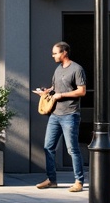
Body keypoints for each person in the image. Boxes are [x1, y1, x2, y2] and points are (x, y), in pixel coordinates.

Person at [35, 41, 87, 192]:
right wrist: (46, 92)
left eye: (55, 53)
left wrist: (61, 95)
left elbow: (81, 91)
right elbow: (54, 89)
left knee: (72, 149)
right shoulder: (58, 69)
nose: (53, 55)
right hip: (55, 115)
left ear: (64, 53)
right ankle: (51, 180)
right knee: (48, 147)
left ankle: (79, 181)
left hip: (70, 115)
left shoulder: (77, 69)